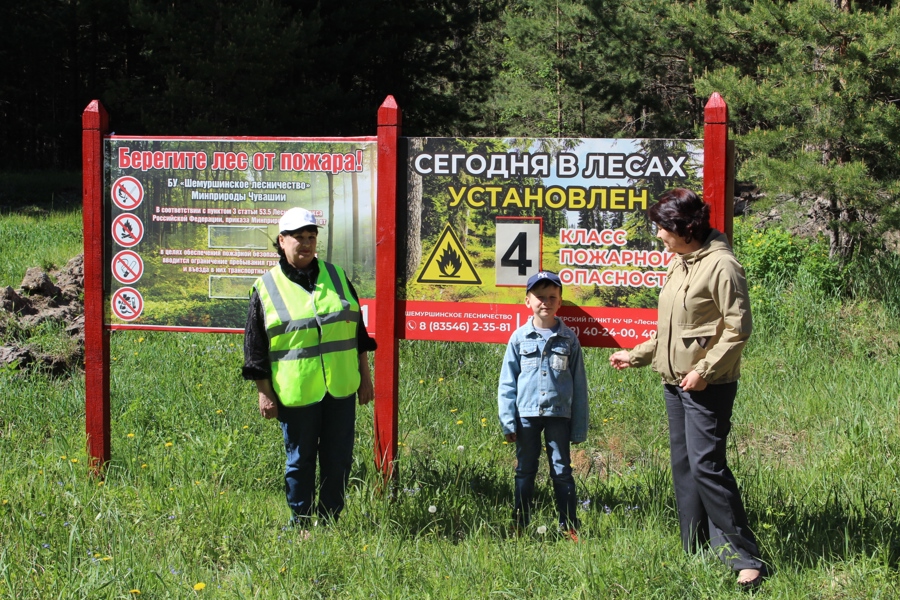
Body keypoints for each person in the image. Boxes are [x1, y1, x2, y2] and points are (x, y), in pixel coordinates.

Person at [609, 188, 765, 588]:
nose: (658, 235)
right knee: (684, 467)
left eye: (662, 227)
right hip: (675, 383)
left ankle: (745, 558)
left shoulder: (722, 266)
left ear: (685, 228)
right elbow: (671, 329)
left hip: (706, 385)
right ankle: (694, 548)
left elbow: (738, 328)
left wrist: (706, 371)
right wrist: (637, 354)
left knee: (707, 467)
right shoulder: (681, 262)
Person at [243, 206, 375, 529]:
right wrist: (264, 393)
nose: (306, 244)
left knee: (338, 459)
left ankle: (330, 521)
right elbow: (255, 348)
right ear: (281, 241)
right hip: (297, 393)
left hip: (341, 388)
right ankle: (300, 523)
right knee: (300, 462)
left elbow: (357, 333)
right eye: (298, 237)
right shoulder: (266, 288)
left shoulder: (338, 277)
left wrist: (365, 378)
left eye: (311, 237)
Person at [498, 271, 588, 539]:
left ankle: (568, 525)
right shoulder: (519, 338)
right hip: (526, 415)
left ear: (560, 302)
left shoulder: (568, 339)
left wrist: (578, 428)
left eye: (552, 297)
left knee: (562, 471)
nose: (545, 302)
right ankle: (519, 522)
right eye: (539, 297)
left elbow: (579, 386)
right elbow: (507, 382)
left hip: (558, 416)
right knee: (525, 470)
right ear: (527, 301)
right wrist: (507, 421)